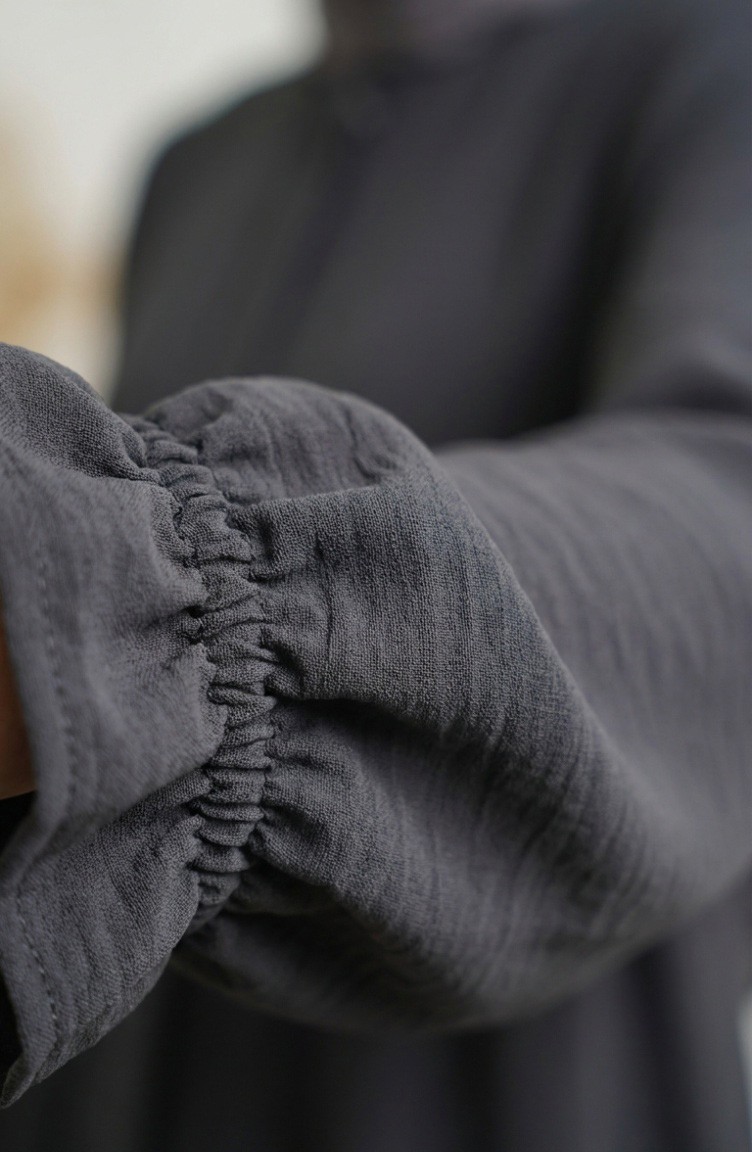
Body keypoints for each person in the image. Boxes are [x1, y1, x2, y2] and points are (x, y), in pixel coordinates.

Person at [0, 0, 750, 1149]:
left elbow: (719, 518)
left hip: (515, 1099)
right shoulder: (198, 163)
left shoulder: (706, 64)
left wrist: (102, 606)